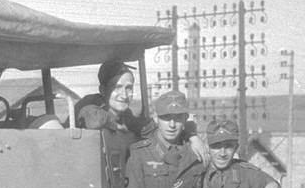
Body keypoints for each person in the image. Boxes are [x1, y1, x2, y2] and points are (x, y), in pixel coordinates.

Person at [74, 59, 209, 162]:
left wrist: (192, 137)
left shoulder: (127, 116)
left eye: (129, 88)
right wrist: (116, 125)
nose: (124, 95)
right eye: (117, 87)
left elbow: (153, 129)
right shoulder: (92, 105)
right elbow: (94, 120)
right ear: (103, 90)